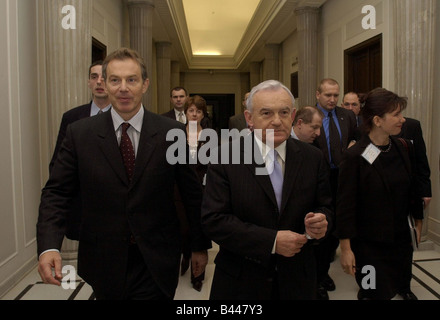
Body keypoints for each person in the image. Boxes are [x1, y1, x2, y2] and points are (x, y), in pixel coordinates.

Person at [37, 47, 211, 300]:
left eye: (132, 80)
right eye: (115, 80)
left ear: (145, 84)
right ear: (104, 84)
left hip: (156, 258)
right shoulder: (80, 134)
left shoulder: (171, 132)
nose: (123, 88)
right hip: (102, 259)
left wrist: (199, 245)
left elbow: (192, 194)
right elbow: (57, 192)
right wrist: (49, 245)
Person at [201, 80, 333, 300]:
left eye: (283, 113)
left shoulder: (312, 157)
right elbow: (213, 221)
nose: (276, 121)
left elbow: (326, 205)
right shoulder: (225, 158)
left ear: (292, 116)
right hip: (242, 281)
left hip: (298, 279)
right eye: (266, 113)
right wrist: (271, 242)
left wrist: (321, 221)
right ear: (249, 118)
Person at [335, 87, 423, 300]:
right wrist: (345, 248)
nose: (402, 120)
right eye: (396, 115)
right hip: (368, 245)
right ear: (377, 120)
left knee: (398, 284)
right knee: (372, 290)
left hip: (400, 240)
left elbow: (412, 187)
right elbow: (345, 205)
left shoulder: (402, 147)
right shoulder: (354, 156)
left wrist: (417, 221)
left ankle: (400, 288)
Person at [48, 60, 111, 240]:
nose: (99, 81)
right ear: (88, 82)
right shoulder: (72, 117)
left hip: (115, 209)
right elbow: (58, 165)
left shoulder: (123, 116)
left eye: (104, 77)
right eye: (94, 77)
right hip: (82, 208)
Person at [313, 78, 358, 299]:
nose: (332, 99)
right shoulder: (310, 115)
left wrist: (354, 146)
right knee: (322, 227)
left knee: (340, 223)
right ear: (317, 95)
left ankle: (329, 263)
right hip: (319, 180)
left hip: (344, 178)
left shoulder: (347, 115)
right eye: (328, 95)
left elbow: (357, 139)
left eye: (335, 95)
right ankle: (319, 276)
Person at [179, 95, 212, 291]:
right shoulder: (176, 133)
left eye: (198, 111)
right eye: (191, 110)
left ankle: (197, 275)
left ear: (203, 114)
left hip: (202, 188)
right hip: (178, 190)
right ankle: (185, 254)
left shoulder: (209, 135)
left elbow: (213, 163)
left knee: (200, 227)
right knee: (183, 226)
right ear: (185, 113)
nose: (194, 114)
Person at [396, 117, 432, 210]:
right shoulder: (367, 128)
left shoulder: (412, 126)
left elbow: (421, 159)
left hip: (409, 190)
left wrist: (426, 190)